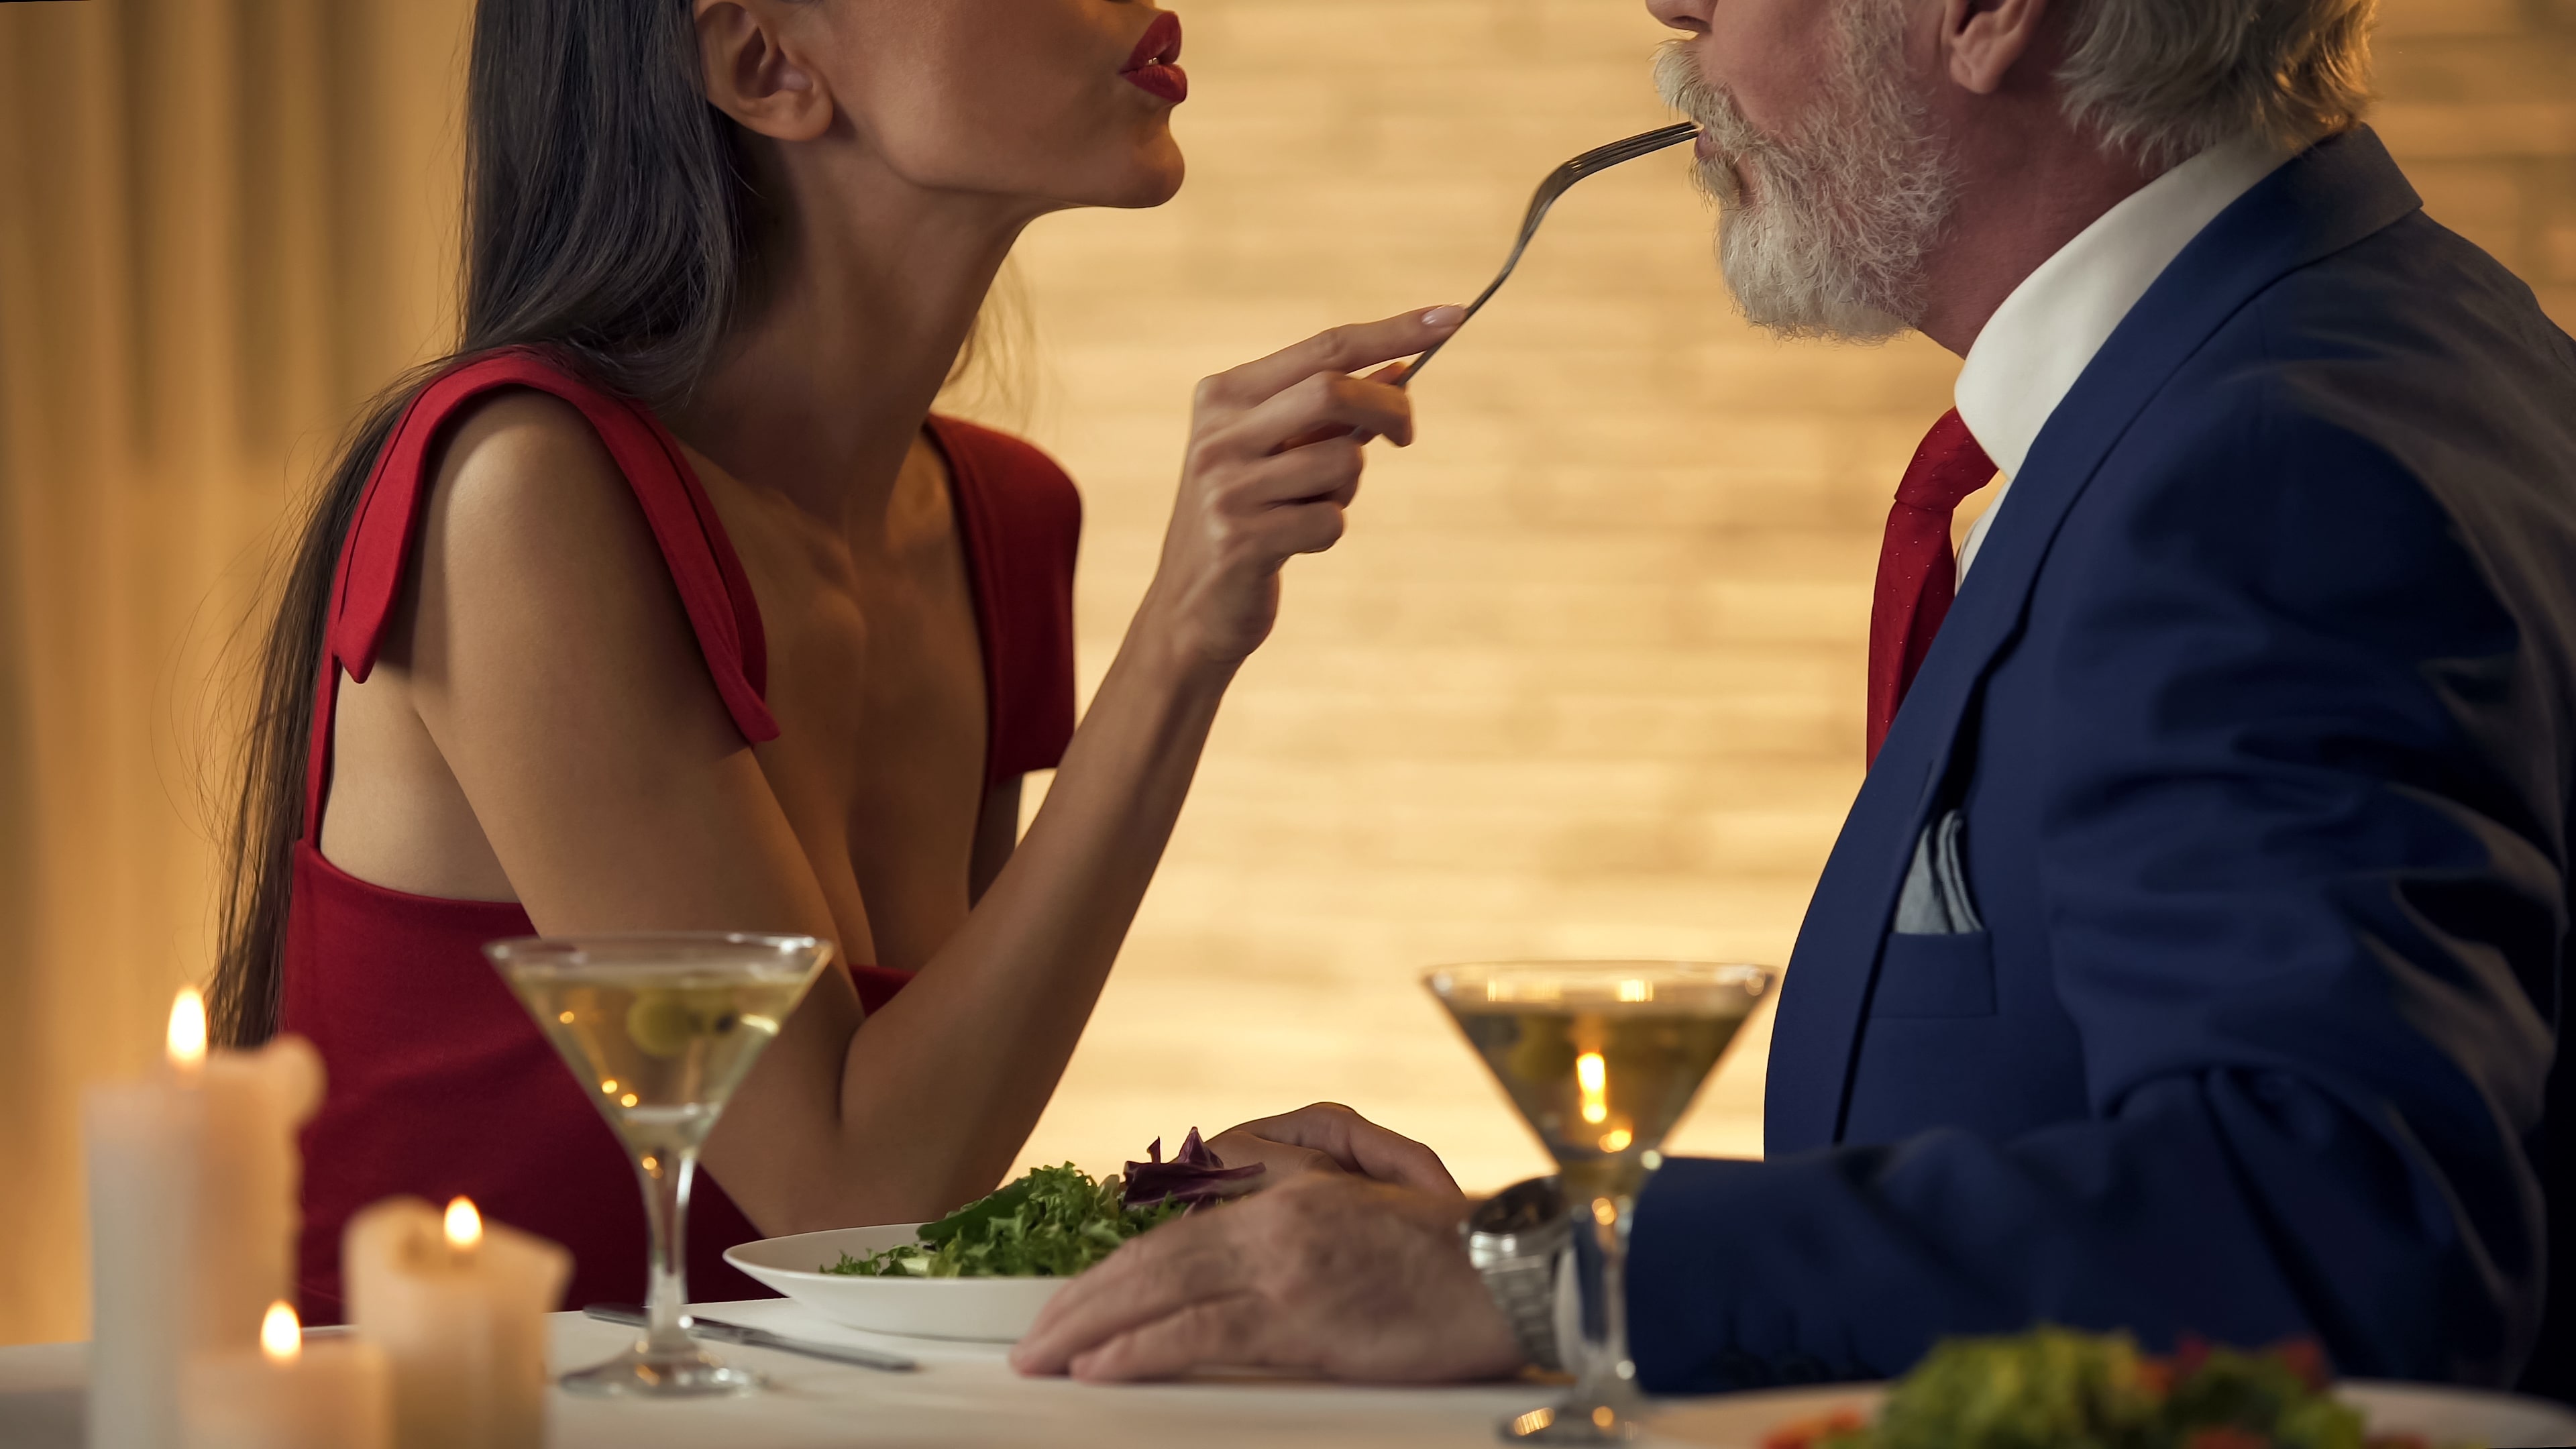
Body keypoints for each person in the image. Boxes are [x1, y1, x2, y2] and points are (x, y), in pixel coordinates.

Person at [1012, 0, 2576, 1400]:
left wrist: (1557, 1280)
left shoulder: (2266, 469)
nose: (1670, 10)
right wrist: (1475, 1252)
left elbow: (2329, 1236)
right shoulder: (2378, 350)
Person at [206, 0, 1468, 1320]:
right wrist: (1183, 638)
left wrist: (1156, 1214)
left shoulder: (1000, 521)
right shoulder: (525, 493)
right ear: (767, 63)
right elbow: (842, 1195)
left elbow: (900, 1213)